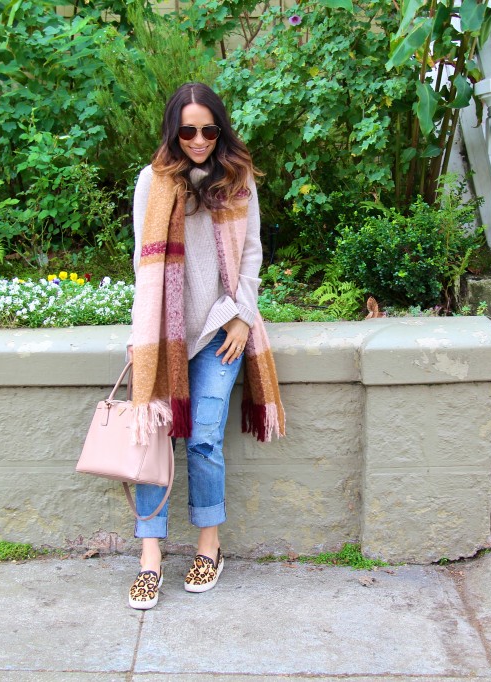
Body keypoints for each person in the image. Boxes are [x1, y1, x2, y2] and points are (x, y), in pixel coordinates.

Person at [124, 82, 285, 610]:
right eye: (188, 130)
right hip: (165, 335)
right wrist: (141, 339)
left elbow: (252, 255)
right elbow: (144, 266)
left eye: (208, 129)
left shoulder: (237, 180)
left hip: (221, 330)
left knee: (204, 440)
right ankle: (150, 558)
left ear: (220, 129)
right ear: (175, 130)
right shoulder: (152, 182)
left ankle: (209, 548)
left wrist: (243, 317)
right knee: (153, 440)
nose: (198, 140)